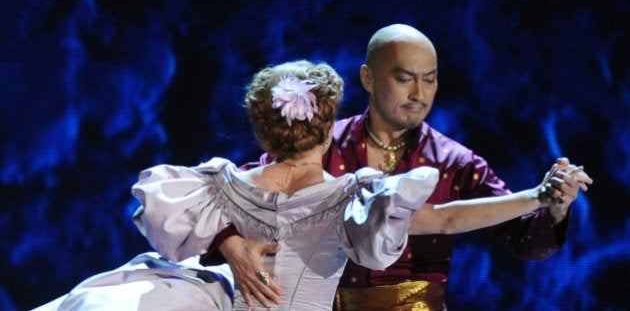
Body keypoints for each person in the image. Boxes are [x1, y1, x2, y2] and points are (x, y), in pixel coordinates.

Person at [35, 59, 589, 311]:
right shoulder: (352, 198)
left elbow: (152, 211)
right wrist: (538, 196)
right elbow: (446, 218)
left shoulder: (222, 180)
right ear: (330, 130)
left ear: (264, 128)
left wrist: (225, 237)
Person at [213, 24, 593, 310]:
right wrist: (232, 245)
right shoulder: (321, 144)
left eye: (429, 80)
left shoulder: (453, 161)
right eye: (404, 78)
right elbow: (236, 194)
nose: (419, 94)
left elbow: (523, 238)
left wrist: (555, 207)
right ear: (368, 78)